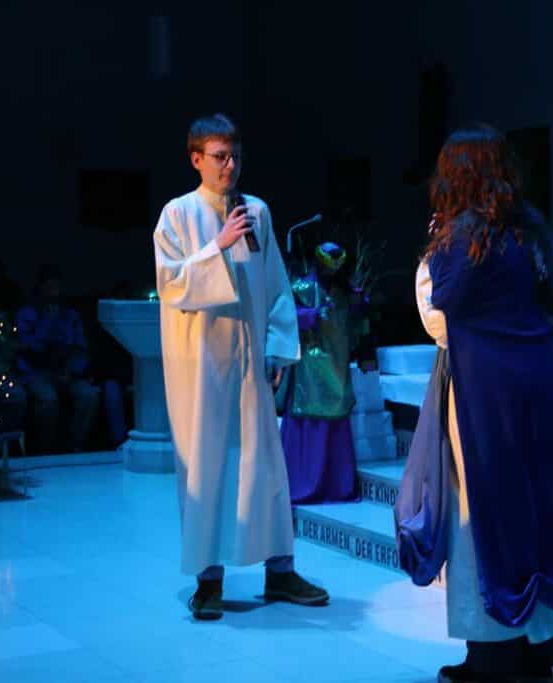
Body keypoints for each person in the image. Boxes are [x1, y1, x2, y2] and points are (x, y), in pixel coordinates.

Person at [413, 124, 553, 683]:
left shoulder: (462, 238)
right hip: (546, 389)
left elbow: (441, 319)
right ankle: (537, 653)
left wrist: (432, 250)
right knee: (540, 515)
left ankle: (492, 659)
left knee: (483, 517)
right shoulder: (531, 228)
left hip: (488, 399)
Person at [152, 113, 328, 620]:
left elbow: (274, 285)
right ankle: (208, 580)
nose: (229, 166)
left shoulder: (257, 211)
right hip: (201, 367)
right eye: (219, 157)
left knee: (263, 464)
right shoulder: (177, 214)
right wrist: (218, 246)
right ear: (196, 159)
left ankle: (280, 571)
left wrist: (276, 348)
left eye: (235, 157)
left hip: (251, 362)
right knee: (207, 465)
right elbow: (172, 284)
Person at [279, 242, 366, 504]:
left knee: (336, 415)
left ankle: (337, 486)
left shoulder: (347, 292)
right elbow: (284, 317)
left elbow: (359, 323)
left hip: (337, 365)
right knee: (310, 416)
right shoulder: (301, 288)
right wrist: (312, 316)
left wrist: (365, 350)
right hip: (310, 367)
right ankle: (305, 485)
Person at [13, 264, 99, 453]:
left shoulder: (71, 314)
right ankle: (45, 450)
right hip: (36, 372)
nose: (53, 291)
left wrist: (72, 371)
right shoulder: (27, 313)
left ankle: (75, 447)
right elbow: (25, 346)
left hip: (65, 372)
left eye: (57, 286)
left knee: (89, 395)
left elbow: (81, 348)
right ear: (41, 287)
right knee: (48, 399)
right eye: (49, 286)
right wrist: (47, 323)